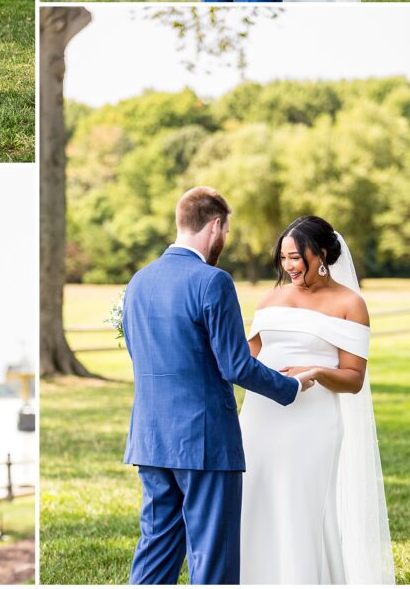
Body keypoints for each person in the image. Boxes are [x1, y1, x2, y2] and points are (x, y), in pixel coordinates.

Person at [122, 187, 313, 585]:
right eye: (226, 229)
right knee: (213, 559)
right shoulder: (213, 281)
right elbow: (236, 365)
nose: (225, 238)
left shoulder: (139, 282)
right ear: (215, 225)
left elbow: (143, 355)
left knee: (155, 553)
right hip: (206, 442)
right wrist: (290, 387)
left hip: (151, 439)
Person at [239, 216, 393, 583]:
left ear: (321, 254)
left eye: (296, 257)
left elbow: (353, 379)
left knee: (301, 507)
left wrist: (316, 372)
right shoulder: (271, 296)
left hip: (313, 423)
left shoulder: (349, 303)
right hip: (261, 418)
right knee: (254, 499)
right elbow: (246, 356)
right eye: (283, 258)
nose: (288, 266)